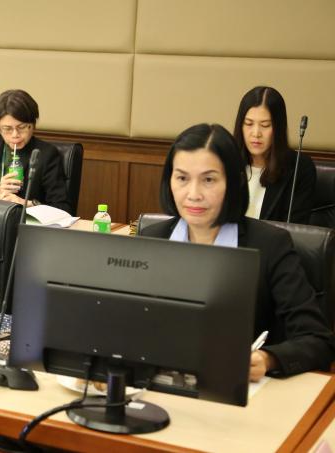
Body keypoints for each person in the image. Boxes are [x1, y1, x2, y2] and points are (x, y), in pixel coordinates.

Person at [141, 123, 335, 381]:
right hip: (158, 385)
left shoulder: (270, 245)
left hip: (238, 388)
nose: (193, 194)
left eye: (209, 180)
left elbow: (318, 340)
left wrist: (267, 359)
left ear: (234, 182)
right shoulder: (151, 240)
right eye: (182, 178)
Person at [0, 89, 71, 212]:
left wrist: (26, 204)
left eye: (22, 127)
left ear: (33, 124)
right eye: (7, 129)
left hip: (22, 222)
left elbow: (63, 208)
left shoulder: (46, 154)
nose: (15, 135)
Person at [233, 86, 316, 224]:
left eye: (265, 125)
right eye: (248, 124)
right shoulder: (227, 162)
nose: (256, 133)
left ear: (278, 128)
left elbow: (296, 230)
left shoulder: (299, 168)